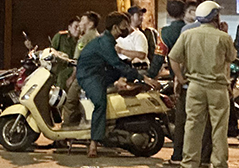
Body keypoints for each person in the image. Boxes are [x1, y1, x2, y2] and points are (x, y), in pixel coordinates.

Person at [75, 11, 158, 158]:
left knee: (126, 71)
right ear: (115, 27)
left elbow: (119, 64)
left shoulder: (109, 41)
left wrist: (136, 75)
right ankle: (93, 144)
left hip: (101, 71)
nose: (127, 29)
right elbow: (116, 64)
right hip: (89, 75)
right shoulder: (105, 42)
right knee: (100, 103)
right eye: (124, 26)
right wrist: (142, 78)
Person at [168, 0, 237, 168]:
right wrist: (224, 32)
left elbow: (173, 58)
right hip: (217, 88)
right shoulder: (223, 37)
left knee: (192, 125)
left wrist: (181, 78)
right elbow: (232, 57)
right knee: (219, 127)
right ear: (215, 16)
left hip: (195, 87)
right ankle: (220, 165)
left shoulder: (187, 35)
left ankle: (189, 164)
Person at [62, 11, 101, 128]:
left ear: (90, 24)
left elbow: (78, 62)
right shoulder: (97, 36)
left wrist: (72, 78)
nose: (80, 24)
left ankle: (66, 133)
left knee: (70, 102)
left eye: (83, 21)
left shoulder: (84, 39)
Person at [49, 16, 79, 90]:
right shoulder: (60, 36)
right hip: (59, 66)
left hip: (74, 67)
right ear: (69, 27)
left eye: (79, 27)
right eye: (76, 26)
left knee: (62, 77)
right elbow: (52, 49)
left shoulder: (82, 40)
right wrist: (61, 57)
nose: (78, 29)